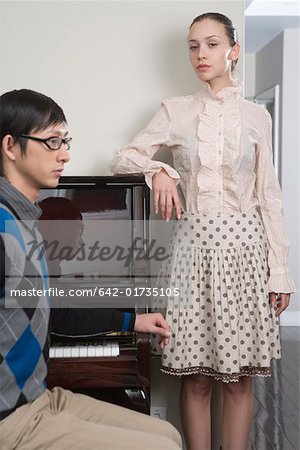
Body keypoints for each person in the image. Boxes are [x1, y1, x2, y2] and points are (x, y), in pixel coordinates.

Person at [110, 12, 296, 450]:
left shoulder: (256, 117)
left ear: (233, 50)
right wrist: (159, 170)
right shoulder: (176, 110)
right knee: (195, 378)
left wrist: (280, 269)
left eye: (212, 44)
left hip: (246, 254)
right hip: (192, 254)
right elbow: (124, 157)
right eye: (193, 46)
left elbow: (269, 195)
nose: (201, 55)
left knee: (237, 379)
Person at [0, 89, 182, 450]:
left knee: (169, 434)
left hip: (39, 400)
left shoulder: (26, 224)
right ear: (9, 146)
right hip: (10, 420)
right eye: (51, 142)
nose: (65, 154)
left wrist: (133, 321)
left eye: (65, 141)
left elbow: (55, 313)